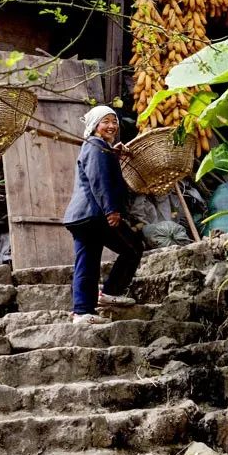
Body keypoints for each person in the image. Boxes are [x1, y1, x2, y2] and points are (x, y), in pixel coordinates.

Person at [63, 105, 143, 325]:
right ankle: (109, 293)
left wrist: (114, 153)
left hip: (81, 217)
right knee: (134, 247)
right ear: (95, 125)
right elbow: (100, 180)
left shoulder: (96, 147)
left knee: (87, 263)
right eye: (105, 121)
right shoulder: (96, 146)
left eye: (114, 122)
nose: (112, 126)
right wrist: (112, 210)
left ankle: (82, 312)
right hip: (93, 215)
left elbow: (102, 169)